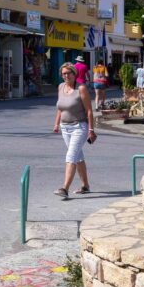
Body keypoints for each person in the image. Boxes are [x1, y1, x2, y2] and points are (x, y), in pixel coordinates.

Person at [52, 63, 96, 198]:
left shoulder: (81, 89)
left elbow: (89, 110)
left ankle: (64, 188)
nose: (66, 76)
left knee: (71, 156)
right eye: (64, 73)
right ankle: (85, 185)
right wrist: (56, 124)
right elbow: (60, 107)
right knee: (78, 157)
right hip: (65, 127)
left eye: (68, 73)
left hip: (79, 127)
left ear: (74, 74)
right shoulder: (61, 87)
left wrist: (91, 129)